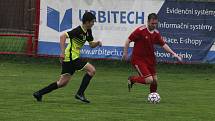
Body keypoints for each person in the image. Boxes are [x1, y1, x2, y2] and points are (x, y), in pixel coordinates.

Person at [33, 12, 102, 103]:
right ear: (87, 22)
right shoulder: (78, 30)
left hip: (71, 58)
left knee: (62, 83)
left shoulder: (88, 31)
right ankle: (80, 94)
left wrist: (97, 43)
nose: (93, 23)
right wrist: (62, 53)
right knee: (92, 70)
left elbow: (91, 45)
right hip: (71, 58)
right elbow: (63, 36)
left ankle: (39, 93)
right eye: (92, 21)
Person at [122, 13, 182, 93]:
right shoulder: (140, 31)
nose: (154, 25)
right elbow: (128, 40)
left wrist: (174, 54)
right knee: (149, 80)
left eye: (156, 24)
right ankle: (132, 79)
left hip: (150, 60)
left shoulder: (156, 33)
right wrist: (125, 54)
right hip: (138, 59)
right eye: (152, 23)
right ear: (148, 22)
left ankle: (153, 96)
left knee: (155, 80)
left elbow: (163, 45)